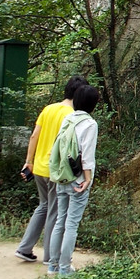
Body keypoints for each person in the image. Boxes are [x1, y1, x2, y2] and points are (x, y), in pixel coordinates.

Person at [15, 75, 87, 264]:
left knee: (44, 206)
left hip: (39, 167)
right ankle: (50, 256)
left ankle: (24, 248)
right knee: (55, 212)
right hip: (57, 171)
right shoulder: (72, 115)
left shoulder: (48, 109)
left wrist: (28, 162)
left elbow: (34, 136)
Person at [48, 82, 100, 276]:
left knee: (60, 220)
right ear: (93, 104)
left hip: (62, 177)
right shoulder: (90, 124)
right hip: (78, 179)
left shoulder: (68, 119)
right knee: (71, 224)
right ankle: (64, 269)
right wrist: (87, 180)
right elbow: (86, 156)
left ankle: (53, 265)